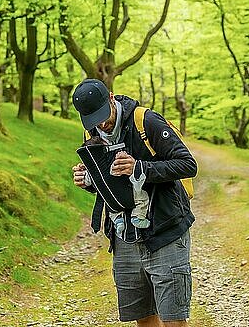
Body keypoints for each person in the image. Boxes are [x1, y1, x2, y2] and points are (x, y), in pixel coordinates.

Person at [72, 78, 198, 327]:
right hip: (124, 235)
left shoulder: (146, 121)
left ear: (111, 97)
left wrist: (139, 167)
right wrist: (88, 181)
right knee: (141, 316)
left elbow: (188, 165)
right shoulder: (92, 131)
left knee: (173, 318)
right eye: (93, 121)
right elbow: (110, 184)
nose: (102, 125)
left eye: (103, 116)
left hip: (165, 229)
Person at [81, 136, 151, 237]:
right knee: (142, 197)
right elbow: (118, 169)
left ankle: (118, 221)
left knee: (111, 209)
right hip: (127, 196)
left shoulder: (90, 173)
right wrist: (121, 155)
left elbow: (87, 182)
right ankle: (138, 217)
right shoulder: (111, 163)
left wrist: (83, 173)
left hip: (111, 203)